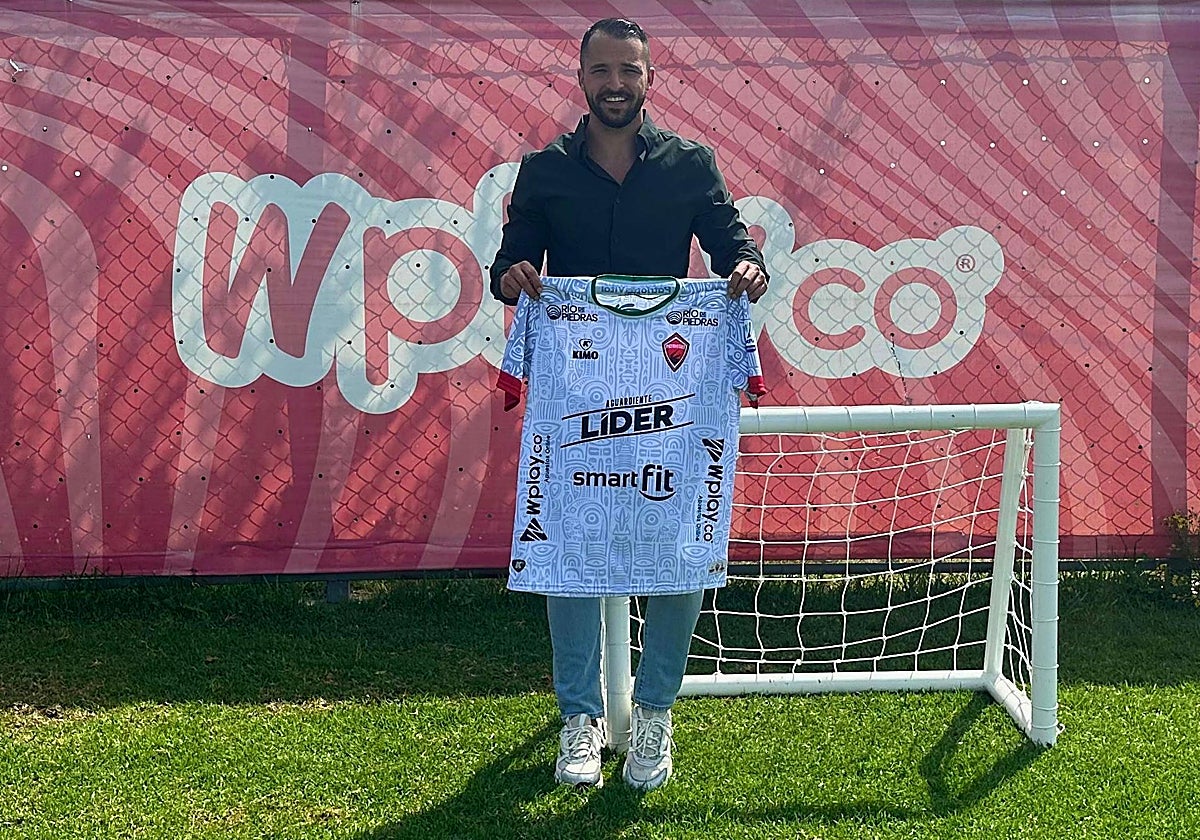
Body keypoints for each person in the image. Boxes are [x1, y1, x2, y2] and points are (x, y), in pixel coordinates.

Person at [490, 17, 769, 791]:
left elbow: (729, 240)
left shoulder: (690, 164)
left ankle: (654, 713)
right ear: (581, 78)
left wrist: (745, 267)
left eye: (630, 71)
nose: (616, 84)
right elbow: (514, 254)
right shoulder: (544, 168)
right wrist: (511, 275)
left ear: (652, 78)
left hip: (672, 391)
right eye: (603, 70)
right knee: (568, 548)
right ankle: (579, 718)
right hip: (577, 392)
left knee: (682, 540)